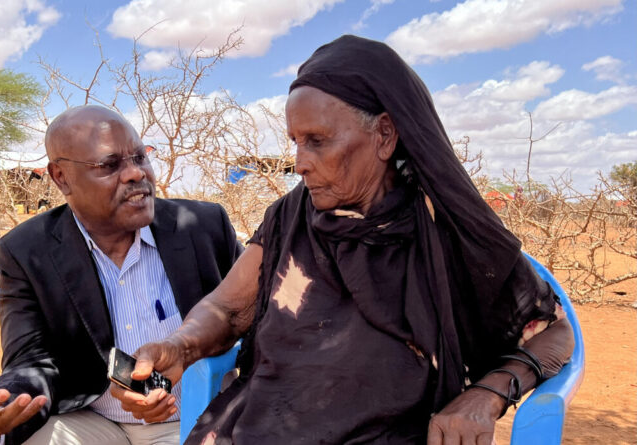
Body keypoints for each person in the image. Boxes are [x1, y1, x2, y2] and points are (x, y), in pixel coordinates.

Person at [125, 35, 575, 445]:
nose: (299, 163)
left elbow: (555, 333)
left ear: (384, 135)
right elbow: (227, 307)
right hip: (260, 427)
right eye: (295, 141)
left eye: (317, 141)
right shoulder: (291, 215)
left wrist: (486, 394)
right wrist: (180, 346)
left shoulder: (446, 229)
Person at [0, 105, 243, 445]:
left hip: (193, 417)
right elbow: (30, 360)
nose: (135, 174)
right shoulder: (27, 250)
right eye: (109, 165)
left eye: (140, 157)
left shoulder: (203, 226)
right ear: (61, 177)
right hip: (94, 421)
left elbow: (256, 316)